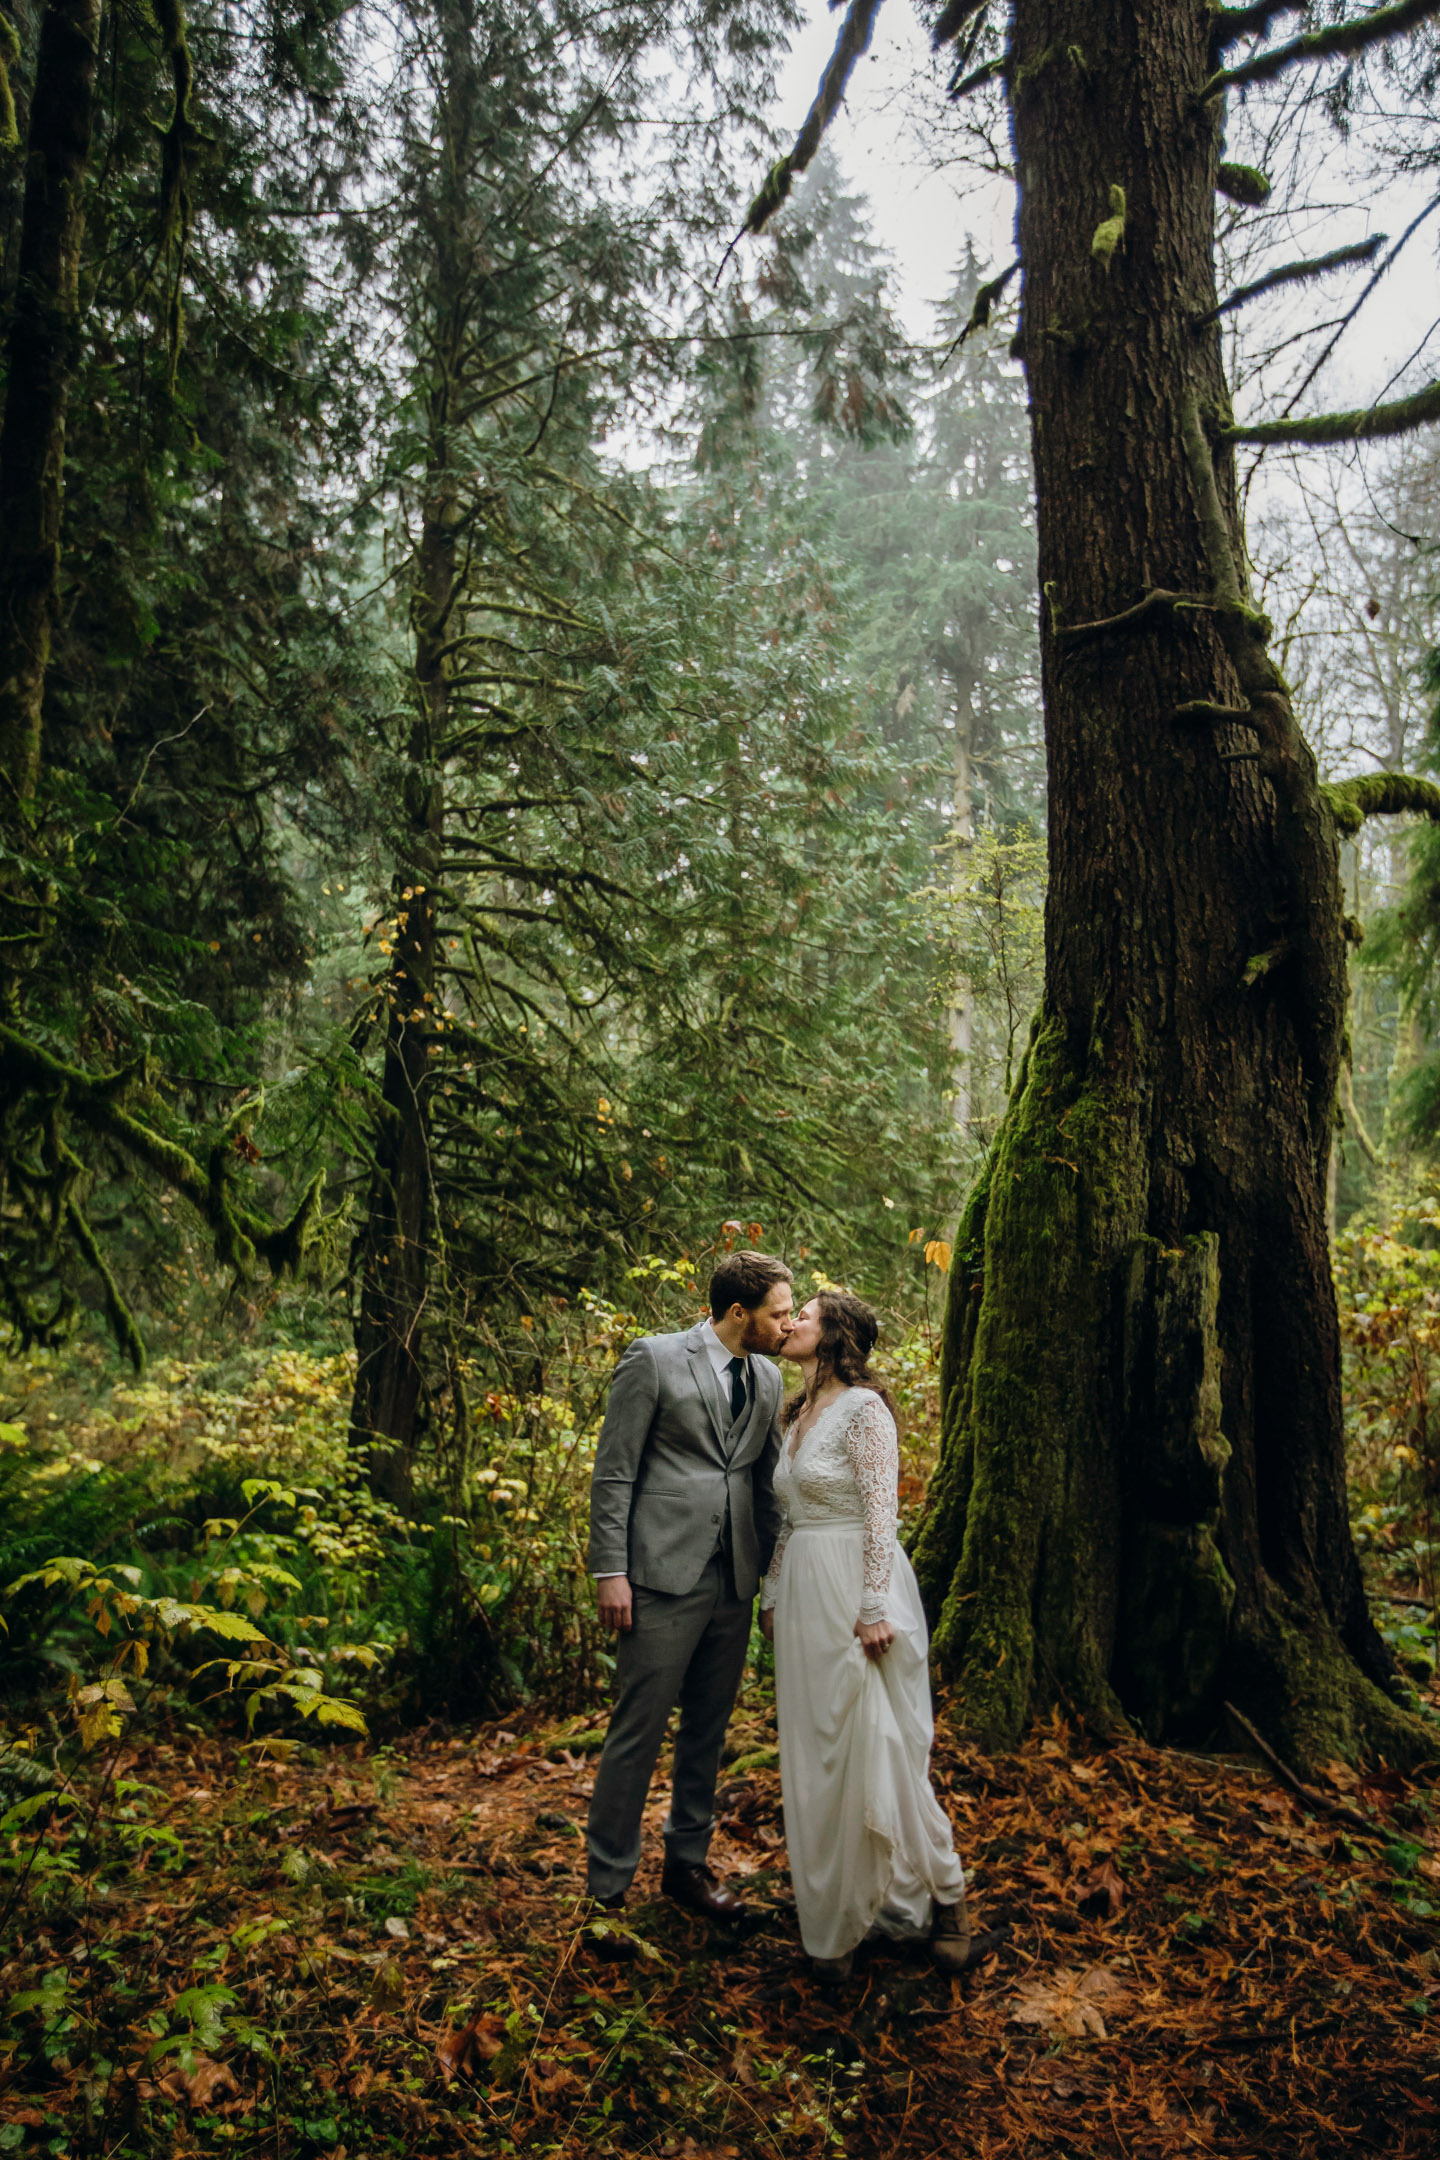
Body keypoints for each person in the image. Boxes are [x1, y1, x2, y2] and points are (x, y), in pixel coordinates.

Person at [760, 1289, 969, 1980]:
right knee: (819, 1757)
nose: (792, 1323)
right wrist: (771, 1593)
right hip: (802, 1601)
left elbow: (883, 1516)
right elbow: (790, 1521)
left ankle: (947, 1898)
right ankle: (837, 1915)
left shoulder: (865, 1411)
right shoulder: (795, 1414)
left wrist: (875, 1605)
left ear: (834, 1336)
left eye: (806, 1317)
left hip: (859, 1590)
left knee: (879, 1746)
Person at [585, 1249, 793, 1918]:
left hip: (733, 1578)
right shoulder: (653, 1359)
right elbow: (615, 1471)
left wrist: (772, 1581)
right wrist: (609, 1571)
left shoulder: (766, 1377)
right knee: (637, 1731)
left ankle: (687, 1867)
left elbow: (765, 1483)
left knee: (708, 1729)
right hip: (657, 1577)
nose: (787, 1326)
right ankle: (608, 1885)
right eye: (778, 1314)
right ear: (739, 1313)